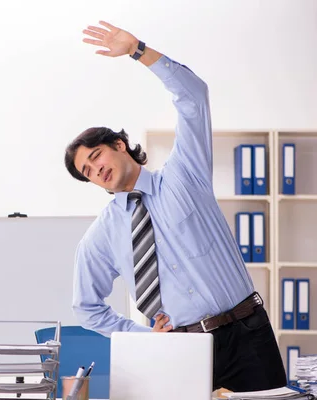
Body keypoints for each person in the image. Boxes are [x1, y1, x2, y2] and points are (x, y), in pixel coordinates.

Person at [65, 20, 287, 392]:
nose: (95, 169)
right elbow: (86, 306)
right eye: (86, 171)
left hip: (246, 333)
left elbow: (194, 97)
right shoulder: (101, 235)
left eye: (96, 155)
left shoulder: (186, 175)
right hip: (177, 351)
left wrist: (139, 51)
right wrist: (141, 337)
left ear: (119, 145)